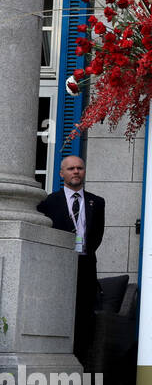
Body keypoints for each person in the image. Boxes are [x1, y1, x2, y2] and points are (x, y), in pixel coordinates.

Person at [37, 155, 105, 368]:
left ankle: (80, 366)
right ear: (61, 173)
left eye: (80, 168)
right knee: (58, 314)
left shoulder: (97, 202)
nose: (76, 172)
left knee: (84, 319)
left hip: (85, 267)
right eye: (71, 169)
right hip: (59, 267)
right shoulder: (48, 202)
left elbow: (97, 236)